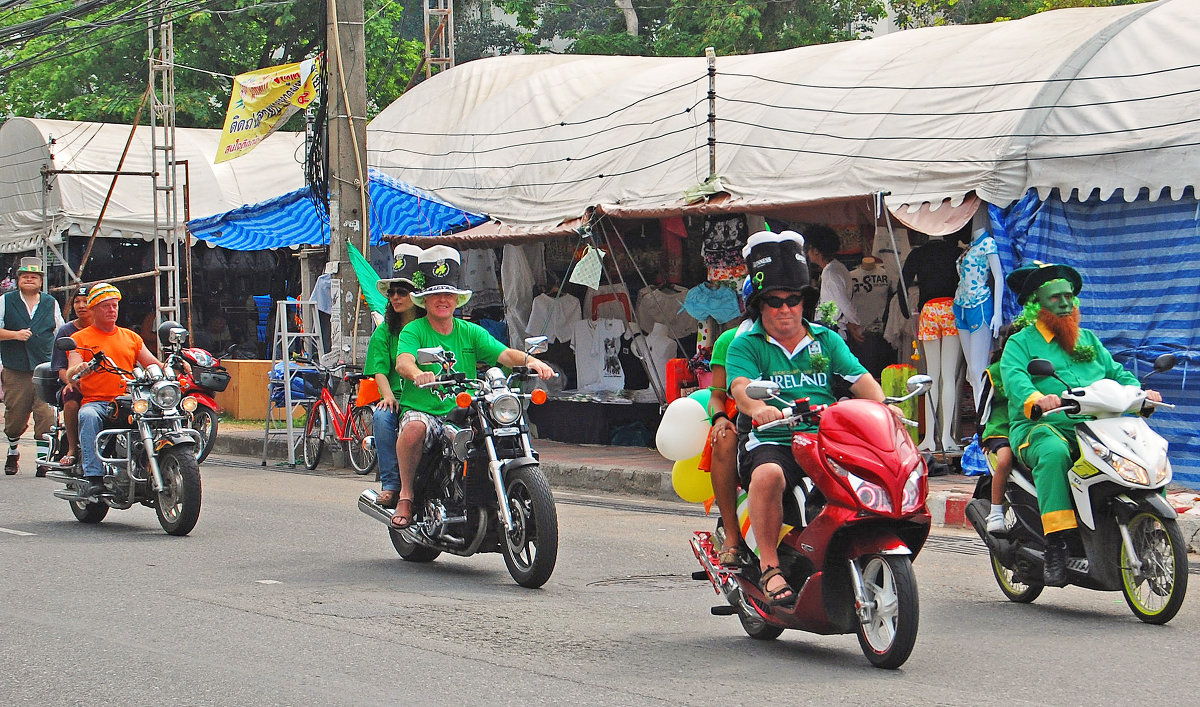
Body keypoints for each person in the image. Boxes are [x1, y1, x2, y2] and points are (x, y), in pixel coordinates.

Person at [726, 231, 900, 606]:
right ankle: (770, 566)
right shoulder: (746, 344)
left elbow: (862, 381)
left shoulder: (827, 340)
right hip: (773, 440)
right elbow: (740, 388)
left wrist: (887, 407)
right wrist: (758, 408)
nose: (785, 309)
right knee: (768, 474)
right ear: (760, 305)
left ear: (805, 302)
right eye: (774, 301)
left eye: (793, 300)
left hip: (827, 439)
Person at [999, 262, 1158, 586]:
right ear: (1037, 305)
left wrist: (1142, 393)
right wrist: (1036, 399)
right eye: (1056, 298)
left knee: (1147, 449)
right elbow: (1015, 380)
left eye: (1069, 297)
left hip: (1096, 425)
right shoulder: (1021, 343)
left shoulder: (1087, 339)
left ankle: (1151, 529)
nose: (1066, 303)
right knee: (1055, 452)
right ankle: (1056, 543)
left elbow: (1117, 373)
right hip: (1043, 426)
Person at [390, 245, 555, 529]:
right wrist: (418, 373)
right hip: (424, 409)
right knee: (414, 428)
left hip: (462, 408)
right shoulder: (413, 330)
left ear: (457, 300)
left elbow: (503, 354)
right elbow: (403, 361)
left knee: (500, 430)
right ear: (425, 300)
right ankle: (406, 495)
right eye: (436, 295)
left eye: (448, 295)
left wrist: (531, 361)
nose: (443, 300)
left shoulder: (470, 331)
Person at [64, 283, 164, 496]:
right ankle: (94, 476)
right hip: (97, 402)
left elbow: (153, 365)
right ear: (93, 309)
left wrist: (178, 364)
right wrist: (79, 368)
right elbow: (72, 371)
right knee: (88, 416)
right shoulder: (80, 339)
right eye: (105, 306)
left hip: (128, 400)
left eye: (114, 305)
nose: (111, 310)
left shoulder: (131, 337)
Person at [364, 244, 424, 509]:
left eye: (403, 292)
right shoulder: (384, 331)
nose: (396, 297)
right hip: (398, 397)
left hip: (429, 396)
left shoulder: (429, 326)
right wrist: (387, 395)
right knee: (381, 415)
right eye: (392, 293)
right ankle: (390, 484)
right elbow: (378, 369)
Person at [0, 257, 65, 474]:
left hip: (44, 367)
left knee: (46, 415)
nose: (29, 280)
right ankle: (12, 451)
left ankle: (42, 461)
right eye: (25, 276)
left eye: (34, 277)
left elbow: (60, 333)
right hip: (15, 368)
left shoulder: (50, 302)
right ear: (18, 279)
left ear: (40, 281)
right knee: (15, 417)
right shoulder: (6, 301)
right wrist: (14, 335)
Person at [49, 286, 94, 468]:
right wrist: (71, 381)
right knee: (71, 400)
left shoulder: (111, 330)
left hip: (103, 385)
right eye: (77, 301)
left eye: (86, 301)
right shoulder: (66, 331)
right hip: (73, 382)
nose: (81, 305)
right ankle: (72, 448)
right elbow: (60, 367)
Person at [979, 325, 1014, 535]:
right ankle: (996, 511)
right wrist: (982, 436)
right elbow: (983, 407)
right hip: (1001, 426)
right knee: (1005, 459)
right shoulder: (994, 372)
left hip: (1030, 424)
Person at [804, 224, 862, 345]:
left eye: (808, 249)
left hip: (831, 330)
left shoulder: (830, 273)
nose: (807, 253)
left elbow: (844, 303)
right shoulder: (838, 267)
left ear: (815, 251)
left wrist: (855, 323)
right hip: (833, 328)